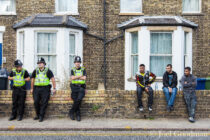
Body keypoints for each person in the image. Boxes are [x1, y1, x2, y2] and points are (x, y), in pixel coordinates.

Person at [30, 57, 56, 122]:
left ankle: (41, 116)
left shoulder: (48, 70)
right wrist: (32, 88)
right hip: (36, 88)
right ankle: (38, 115)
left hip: (45, 89)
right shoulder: (35, 70)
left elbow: (53, 79)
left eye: (41, 63)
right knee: (36, 102)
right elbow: (32, 80)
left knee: (44, 103)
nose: (39, 64)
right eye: (38, 63)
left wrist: (54, 88)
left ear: (44, 64)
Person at [69, 56, 87, 121]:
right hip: (74, 87)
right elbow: (72, 78)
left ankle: (71, 112)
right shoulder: (72, 70)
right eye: (76, 62)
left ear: (80, 63)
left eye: (79, 62)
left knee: (79, 99)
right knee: (76, 100)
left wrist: (76, 77)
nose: (77, 63)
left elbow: (84, 78)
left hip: (81, 87)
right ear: (74, 63)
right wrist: (80, 76)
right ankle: (78, 115)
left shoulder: (83, 69)